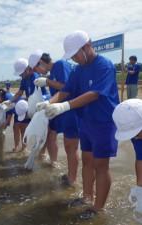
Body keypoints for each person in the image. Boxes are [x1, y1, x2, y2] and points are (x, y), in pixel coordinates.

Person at [36, 30, 119, 219]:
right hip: (85, 121)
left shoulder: (104, 65)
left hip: (103, 122)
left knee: (100, 164)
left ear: (87, 47)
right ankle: (87, 197)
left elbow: (95, 94)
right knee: (87, 161)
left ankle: (98, 208)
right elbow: (66, 90)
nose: (74, 58)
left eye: (75, 54)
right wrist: (50, 104)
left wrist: (64, 106)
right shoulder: (78, 70)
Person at [32, 51, 79, 185]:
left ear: (41, 62)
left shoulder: (60, 65)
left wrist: (47, 82)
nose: (38, 71)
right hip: (58, 109)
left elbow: (66, 87)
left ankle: (72, 179)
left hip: (69, 109)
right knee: (51, 134)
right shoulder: (52, 72)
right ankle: (54, 163)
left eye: (37, 68)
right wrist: (48, 102)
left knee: (70, 145)